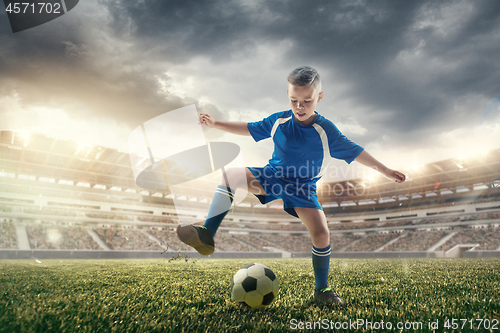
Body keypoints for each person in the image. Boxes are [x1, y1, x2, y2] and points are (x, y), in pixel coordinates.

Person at [177, 66, 406, 305]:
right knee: (231, 176)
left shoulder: (326, 130)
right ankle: (206, 234)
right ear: (287, 93)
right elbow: (249, 127)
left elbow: (356, 151)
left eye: (307, 101)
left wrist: (386, 170)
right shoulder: (279, 120)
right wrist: (215, 124)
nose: (300, 106)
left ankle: (322, 290)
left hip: (303, 188)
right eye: (294, 100)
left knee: (321, 233)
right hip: (272, 176)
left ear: (319, 97)